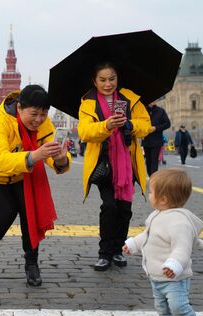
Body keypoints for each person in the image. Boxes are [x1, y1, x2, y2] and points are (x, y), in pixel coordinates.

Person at [0, 85, 71, 289]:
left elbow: (48, 152)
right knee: (6, 211)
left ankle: (32, 264)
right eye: (34, 114)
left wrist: (59, 159)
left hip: (19, 172)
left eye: (43, 114)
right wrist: (34, 155)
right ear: (20, 107)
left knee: (29, 210)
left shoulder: (42, 123)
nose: (39, 120)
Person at [78, 62, 152, 272]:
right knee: (109, 206)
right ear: (95, 81)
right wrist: (106, 125)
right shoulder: (88, 103)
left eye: (112, 79)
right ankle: (105, 253)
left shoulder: (130, 98)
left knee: (125, 210)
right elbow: (84, 132)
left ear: (117, 78)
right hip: (103, 163)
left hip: (127, 164)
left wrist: (129, 124)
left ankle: (119, 249)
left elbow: (145, 125)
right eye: (102, 80)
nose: (108, 84)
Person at [122, 168, 203, 316]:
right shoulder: (157, 215)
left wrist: (174, 265)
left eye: (151, 192)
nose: (149, 195)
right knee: (161, 306)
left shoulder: (179, 222)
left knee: (178, 306)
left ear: (164, 198)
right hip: (157, 275)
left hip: (173, 277)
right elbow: (148, 235)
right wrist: (134, 244)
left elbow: (182, 249)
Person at [143, 102, 171, 176]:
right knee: (148, 161)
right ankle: (150, 176)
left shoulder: (160, 111)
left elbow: (167, 124)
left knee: (154, 160)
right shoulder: (143, 110)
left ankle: (153, 178)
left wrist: (156, 128)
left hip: (157, 140)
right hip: (146, 140)